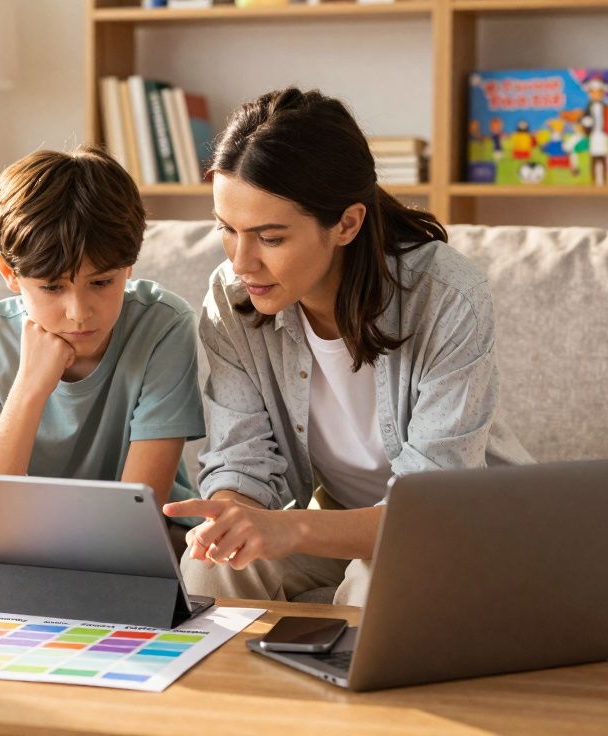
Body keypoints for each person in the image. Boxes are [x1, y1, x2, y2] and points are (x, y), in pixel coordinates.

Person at [163, 88, 532, 605]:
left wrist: (290, 530)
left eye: (270, 238)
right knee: (210, 569)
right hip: (339, 522)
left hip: (459, 530)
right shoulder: (232, 298)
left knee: (372, 587)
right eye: (227, 229)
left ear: (347, 223)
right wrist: (228, 516)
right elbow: (239, 458)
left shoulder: (447, 296)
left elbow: (431, 507)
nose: (242, 262)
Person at [0, 146, 206, 579]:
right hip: (24, 529)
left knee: (120, 559)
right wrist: (31, 385)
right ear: (9, 273)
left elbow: (137, 505)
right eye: (52, 287)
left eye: (101, 282)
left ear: (129, 265)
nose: (79, 312)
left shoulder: (163, 325)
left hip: (144, 529)